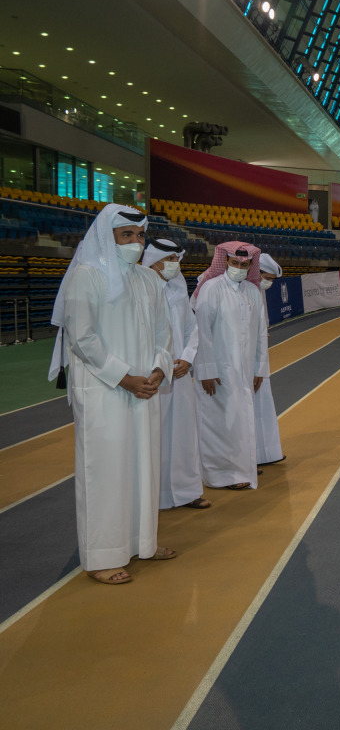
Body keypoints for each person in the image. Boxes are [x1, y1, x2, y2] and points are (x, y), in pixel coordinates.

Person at [49, 204, 177, 584]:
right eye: (127, 236)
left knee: (143, 467)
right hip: (105, 390)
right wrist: (126, 379)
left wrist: (157, 370)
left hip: (145, 389)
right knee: (105, 472)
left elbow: (163, 335)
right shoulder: (86, 276)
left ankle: (143, 543)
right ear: (109, 236)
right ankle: (103, 556)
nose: (135, 243)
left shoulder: (149, 280)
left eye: (140, 236)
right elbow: (82, 337)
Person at [193, 242, 269, 491]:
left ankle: (239, 470)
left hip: (245, 370)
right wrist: (206, 370)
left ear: (250, 266)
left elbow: (260, 334)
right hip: (218, 373)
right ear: (224, 262)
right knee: (218, 423)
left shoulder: (253, 292)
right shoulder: (212, 289)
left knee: (239, 421)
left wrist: (259, 369)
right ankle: (219, 475)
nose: (238, 268)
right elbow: (201, 332)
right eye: (234, 263)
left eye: (244, 265)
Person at [142, 239, 209, 511]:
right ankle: (152, 498)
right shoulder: (141, 288)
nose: (174, 264)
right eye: (168, 259)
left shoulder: (179, 288)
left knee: (183, 434)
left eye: (175, 259)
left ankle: (186, 492)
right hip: (151, 375)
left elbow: (193, 328)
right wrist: (162, 364)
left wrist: (187, 358)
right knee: (153, 437)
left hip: (180, 373)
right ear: (154, 260)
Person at [254, 253, 286, 469]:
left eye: (273, 280)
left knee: (263, 404)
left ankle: (266, 452)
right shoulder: (245, 289)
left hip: (259, 357)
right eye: (267, 277)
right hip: (244, 359)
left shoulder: (257, 290)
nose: (269, 283)